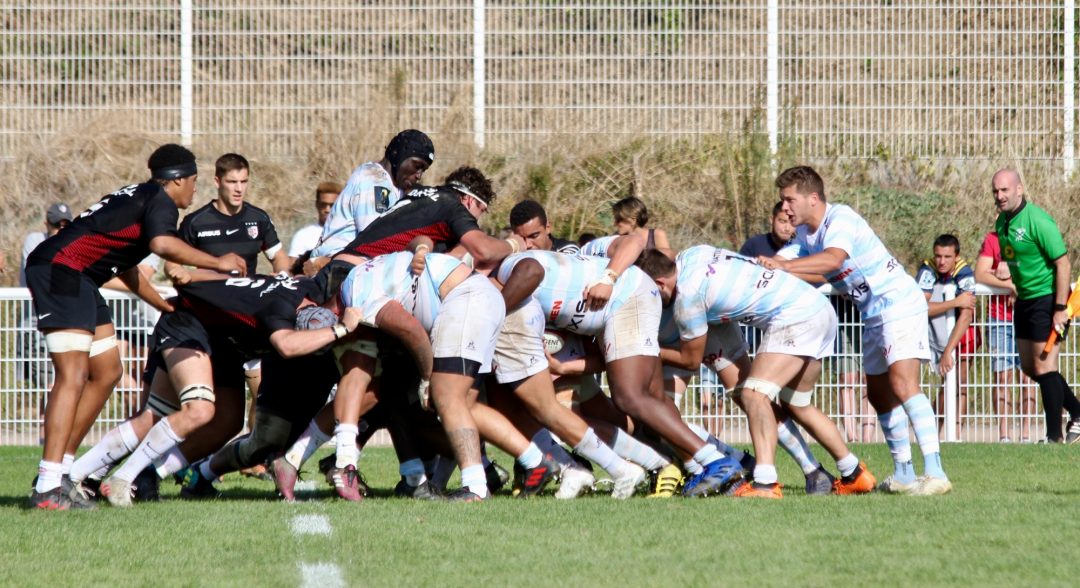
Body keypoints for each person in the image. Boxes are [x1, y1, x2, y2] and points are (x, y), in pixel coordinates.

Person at [24, 143, 247, 510]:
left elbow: (124, 264)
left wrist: (161, 303)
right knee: (74, 374)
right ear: (178, 180)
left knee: (108, 371)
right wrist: (217, 263)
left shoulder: (140, 198)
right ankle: (48, 485)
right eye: (193, 180)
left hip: (80, 276)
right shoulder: (159, 199)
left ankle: (63, 474)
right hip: (60, 271)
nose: (195, 189)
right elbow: (162, 243)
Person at [761, 165, 951, 496]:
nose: (785, 207)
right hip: (874, 314)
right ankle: (904, 472)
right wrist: (772, 267)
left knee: (904, 384)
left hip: (899, 304)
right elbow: (807, 267)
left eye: (790, 200)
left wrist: (786, 266)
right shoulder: (806, 235)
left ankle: (935, 472)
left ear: (813, 198)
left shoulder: (841, 220)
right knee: (878, 395)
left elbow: (833, 260)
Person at [497, 249, 746, 498]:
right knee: (652, 400)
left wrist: (492, 316)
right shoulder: (543, 289)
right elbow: (601, 359)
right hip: (631, 297)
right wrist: (563, 368)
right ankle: (695, 465)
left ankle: (715, 461)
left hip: (629, 297)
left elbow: (532, 270)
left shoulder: (512, 270)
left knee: (629, 398)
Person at [638, 247, 875, 499]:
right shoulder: (691, 254)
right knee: (795, 403)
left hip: (796, 316)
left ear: (659, 283)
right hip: (817, 307)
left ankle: (765, 484)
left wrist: (647, 348)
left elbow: (690, 359)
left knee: (754, 395)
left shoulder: (687, 299)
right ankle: (852, 473)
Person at [991, 168, 1080, 443]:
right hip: (1024, 300)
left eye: (1005, 190)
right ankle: (1078, 413)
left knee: (1044, 367)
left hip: (1047, 299)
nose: (1000, 196)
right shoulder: (1002, 223)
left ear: (1019, 189)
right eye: (995, 191)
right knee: (1030, 368)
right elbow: (1012, 255)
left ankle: (1054, 438)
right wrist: (1012, 277)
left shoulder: (1039, 221)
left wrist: (1060, 307)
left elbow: (1062, 263)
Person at [305, 129, 434, 274]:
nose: (419, 175)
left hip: (352, 264)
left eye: (423, 170)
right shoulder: (375, 181)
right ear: (398, 155)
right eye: (417, 166)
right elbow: (376, 242)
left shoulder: (393, 185)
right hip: (334, 267)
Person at [916, 234, 980, 438]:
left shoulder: (965, 271)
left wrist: (948, 350)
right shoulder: (928, 269)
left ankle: (954, 434)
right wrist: (954, 303)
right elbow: (920, 308)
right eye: (938, 256)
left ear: (956, 256)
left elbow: (967, 314)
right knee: (948, 383)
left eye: (947, 256)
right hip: (936, 333)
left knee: (958, 382)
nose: (942, 261)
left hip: (963, 333)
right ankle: (934, 433)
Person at [975, 230, 1036, 442]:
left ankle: (1026, 434)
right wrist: (1009, 284)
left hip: (1028, 315)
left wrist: (1012, 272)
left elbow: (1039, 270)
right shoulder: (992, 239)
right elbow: (981, 274)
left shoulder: (1031, 237)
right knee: (1002, 376)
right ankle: (1004, 435)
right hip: (998, 318)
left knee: (1027, 378)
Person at [288, 181, 341, 271]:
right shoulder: (302, 235)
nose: (327, 210)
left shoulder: (349, 234)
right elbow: (292, 270)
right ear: (316, 204)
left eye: (332, 205)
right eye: (323, 205)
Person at [508, 199, 580, 254]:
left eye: (534, 236)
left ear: (548, 228)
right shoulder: (514, 254)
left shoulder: (568, 251)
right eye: (522, 239)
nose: (528, 245)